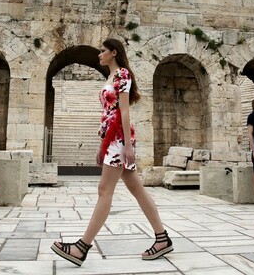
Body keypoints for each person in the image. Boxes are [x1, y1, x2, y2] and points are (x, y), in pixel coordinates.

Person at [51, 38, 173, 267]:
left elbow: (124, 112)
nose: (98, 55)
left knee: (104, 190)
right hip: (112, 139)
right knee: (137, 189)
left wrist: (127, 145)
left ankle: (81, 247)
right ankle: (162, 238)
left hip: (120, 138)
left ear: (113, 53)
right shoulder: (110, 77)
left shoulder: (122, 75)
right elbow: (108, 113)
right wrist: (102, 145)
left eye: (102, 51)